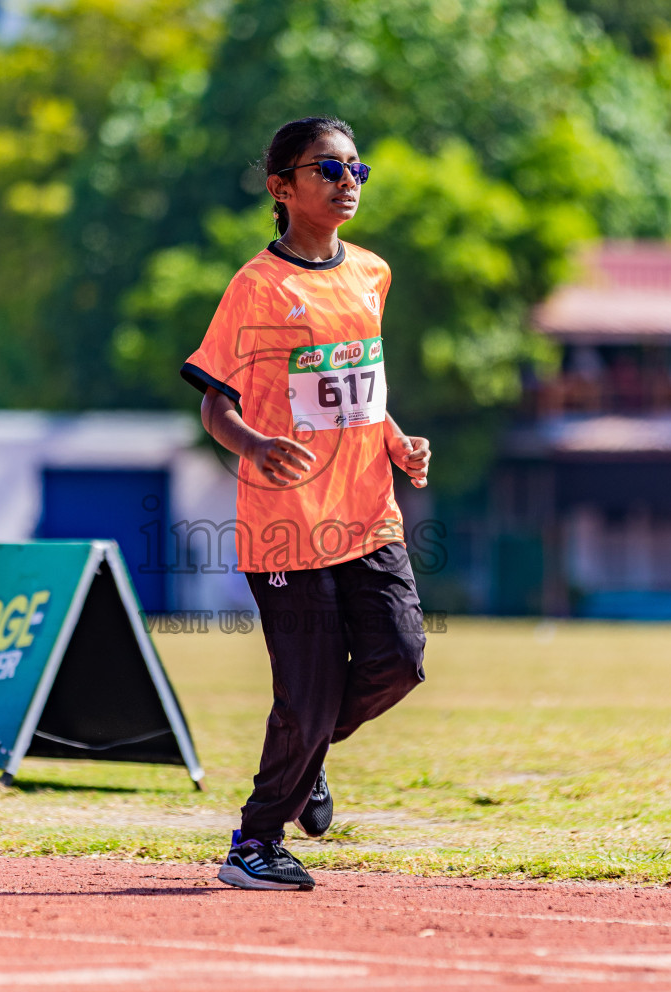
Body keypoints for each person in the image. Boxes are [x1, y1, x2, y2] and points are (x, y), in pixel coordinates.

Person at [180, 116, 431, 891]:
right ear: (281, 186)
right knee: (310, 692)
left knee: (400, 661)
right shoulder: (257, 286)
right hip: (285, 526)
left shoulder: (373, 274)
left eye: (357, 169)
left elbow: (358, 390)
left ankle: (308, 755)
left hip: (366, 515)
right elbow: (214, 404)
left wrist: (395, 438)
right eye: (328, 169)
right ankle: (254, 844)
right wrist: (252, 444)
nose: (347, 182)